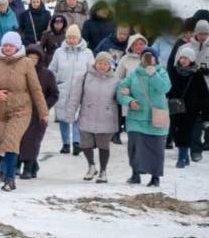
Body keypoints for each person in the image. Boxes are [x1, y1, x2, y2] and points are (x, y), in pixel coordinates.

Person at [0, 32, 50, 191]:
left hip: (20, 110)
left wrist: (43, 112)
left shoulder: (26, 63)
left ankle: (9, 179)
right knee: (2, 143)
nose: (8, 48)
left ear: (17, 46)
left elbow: (36, 89)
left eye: (11, 45)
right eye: (5, 45)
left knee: (11, 141)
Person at [117, 50, 171, 187]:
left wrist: (152, 73)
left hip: (156, 117)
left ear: (156, 59)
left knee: (156, 148)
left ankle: (155, 177)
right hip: (136, 117)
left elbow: (164, 88)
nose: (146, 59)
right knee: (134, 146)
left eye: (150, 57)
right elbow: (121, 90)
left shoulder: (162, 73)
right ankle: (135, 174)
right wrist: (129, 101)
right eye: (144, 57)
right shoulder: (134, 74)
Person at [17, 44, 59, 179]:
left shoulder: (47, 74)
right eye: (30, 57)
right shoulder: (19, 72)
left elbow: (54, 94)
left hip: (38, 114)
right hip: (21, 110)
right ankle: (21, 165)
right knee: (19, 139)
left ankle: (28, 167)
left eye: (35, 58)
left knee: (32, 141)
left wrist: (44, 107)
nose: (32, 60)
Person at [48, 25, 91, 155]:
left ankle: (77, 143)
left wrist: (87, 85)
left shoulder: (87, 53)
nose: (71, 40)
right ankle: (66, 143)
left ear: (79, 38)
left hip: (79, 90)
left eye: (74, 38)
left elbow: (91, 71)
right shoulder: (59, 52)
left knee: (78, 117)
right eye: (69, 37)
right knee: (63, 118)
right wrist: (55, 83)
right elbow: (52, 70)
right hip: (62, 89)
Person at [78, 52, 121, 182]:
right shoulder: (86, 77)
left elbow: (120, 99)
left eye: (105, 64)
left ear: (110, 65)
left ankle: (103, 171)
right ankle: (91, 166)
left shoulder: (116, 80)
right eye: (99, 63)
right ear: (95, 64)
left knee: (103, 145)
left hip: (106, 117)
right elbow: (76, 95)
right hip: (87, 114)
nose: (102, 66)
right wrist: (70, 112)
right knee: (86, 143)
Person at [167, 45, 207, 169]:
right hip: (176, 107)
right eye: (181, 58)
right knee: (176, 132)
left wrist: (203, 110)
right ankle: (185, 156)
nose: (183, 60)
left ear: (191, 60)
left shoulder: (197, 74)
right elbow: (167, 88)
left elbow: (204, 94)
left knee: (186, 132)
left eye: (186, 58)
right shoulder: (173, 72)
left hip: (191, 110)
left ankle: (181, 158)